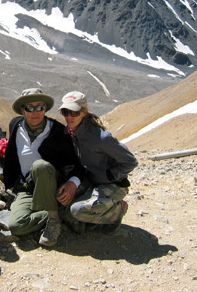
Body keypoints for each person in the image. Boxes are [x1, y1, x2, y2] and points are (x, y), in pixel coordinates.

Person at [2, 88, 81, 247]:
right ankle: (59, 212)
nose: (35, 112)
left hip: (52, 185)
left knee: (40, 166)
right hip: (27, 186)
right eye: (29, 108)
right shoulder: (16, 125)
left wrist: (73, 183)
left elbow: (76, 163)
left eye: (40, 107)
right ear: (23, 110)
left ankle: (53, 220)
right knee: (16, 226)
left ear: (46, 108)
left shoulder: (58, 131)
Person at [57, 91, 138, 235]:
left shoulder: (101, 137)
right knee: (61, 199)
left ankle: (117, 210)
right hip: (92, 182)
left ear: (84, 112)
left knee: (76, 211)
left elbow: (130, 161)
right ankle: (95, 215)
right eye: (65, 112)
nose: (69, 117)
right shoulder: (71, 133)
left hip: (112, 185)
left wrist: (110, 176)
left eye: (74, 112)